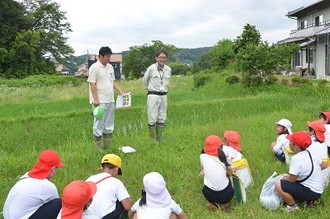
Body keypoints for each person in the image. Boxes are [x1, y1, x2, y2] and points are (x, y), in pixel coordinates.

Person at [275, 131, 328, 212]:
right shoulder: (310, 153)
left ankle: (293, 206)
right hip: (318, 190)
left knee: (278, 184)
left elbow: (291, 180)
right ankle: (309, 201)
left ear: (295, 146)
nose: (289, 143)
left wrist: (283, 178)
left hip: (311, 192)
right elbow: (324, 165)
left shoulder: (296, 158)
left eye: (290, 142)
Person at [3, 150, 64, 219]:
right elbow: (56, 205)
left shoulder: (26, 176)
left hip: (7, 216)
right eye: (57, 168)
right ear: (52, 169)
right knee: (58, 203)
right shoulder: (47, 186)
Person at [88, 46, 126, 150]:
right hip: (100, 101)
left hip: (110, 99)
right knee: (99, 123)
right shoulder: (94, 67)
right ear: (100, 56)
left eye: (109, 57)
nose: (108, 59)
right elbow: (92, 84)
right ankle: (97, 147)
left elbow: (113, 81)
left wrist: (120, 91)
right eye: (106, 57)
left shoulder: (110, 67)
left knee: (109, 123)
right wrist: (95, 99)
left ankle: (107, 145)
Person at [85, 154, 132, 218]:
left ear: (101, 167)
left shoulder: (90, 179)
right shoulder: (116, 182)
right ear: (116, 169)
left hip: (87, 214)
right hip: (107, 217)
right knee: (124, 201)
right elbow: (127, 206)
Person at [142, 50, 171, 142]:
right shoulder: (151, 68)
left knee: (162, 116)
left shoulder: (168, 69)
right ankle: (152, 139)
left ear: (166, 58)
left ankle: (160, 138)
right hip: (153, 95)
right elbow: (144, 81)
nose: (162, 59)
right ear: (156, 58)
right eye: (160, 57)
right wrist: (149, 89)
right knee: (152, 117)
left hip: (164, 95)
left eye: (164, 57)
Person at [200, 135, 235, 211]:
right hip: (226, 194)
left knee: (209, 189)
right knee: (228, 180)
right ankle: (224, 204)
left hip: (208, 193)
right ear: (221, 146)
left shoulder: (202, 157)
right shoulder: (225, 159)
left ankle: (211, 203)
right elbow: (231, 173)